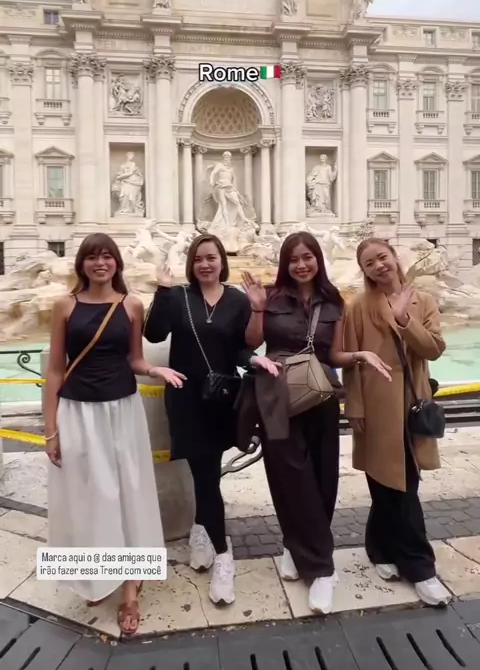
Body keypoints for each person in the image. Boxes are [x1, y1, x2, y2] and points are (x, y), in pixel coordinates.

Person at [241, 231, 391, 614]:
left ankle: (299, 545)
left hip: (320, 394)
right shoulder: (271, 297)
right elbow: (251, 343)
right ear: (285, 264)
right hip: (277, 395)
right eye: (293, 259)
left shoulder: (333, 300)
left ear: (317, 260)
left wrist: (359, 355)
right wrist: (257, 309)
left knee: (323, 476)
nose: (301, 265)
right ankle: (321, 568)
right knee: (288, 476)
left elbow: (335, 355)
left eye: (307, 257)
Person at [44, 232, 185, 636]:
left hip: (122, 410)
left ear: (117, 263)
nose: (100, 263)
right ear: (82, 264)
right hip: (77, 412)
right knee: (85, 497)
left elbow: (135, 359)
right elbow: (55, 369)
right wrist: (51, 431)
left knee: (128, 495)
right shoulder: (64, 305)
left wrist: (154, 369)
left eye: (107, 256)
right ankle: (96, 576)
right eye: (92, 257)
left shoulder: (131, 305)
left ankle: (129, 589)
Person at [143, 233, 277, 606]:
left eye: (211, 257)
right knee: (205, 476)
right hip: (186, 398)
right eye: (199, 258)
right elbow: (153, 333)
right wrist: (161, 290)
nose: (205, 264)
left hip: (220, 399)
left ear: (222, 261)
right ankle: (221, 551)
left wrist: (257, 331)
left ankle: (206, 536)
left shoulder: (236, 300)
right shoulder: (179, 296)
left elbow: (243, 348)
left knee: (207, 476)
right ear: (191, 263)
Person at [341, 237, 450, 606]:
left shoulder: (424, 300)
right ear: (364, 270)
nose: (378, 266)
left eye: (382, 257)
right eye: (369, 263)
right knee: (386, 482)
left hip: (412, 403)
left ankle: (386, 550)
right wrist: (354, 407)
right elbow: (351, 362)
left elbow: (434, 348)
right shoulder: (358, 306)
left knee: (403, 484)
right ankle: (417, 566)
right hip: (375, 405)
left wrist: (405, 320)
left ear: (393, 257)